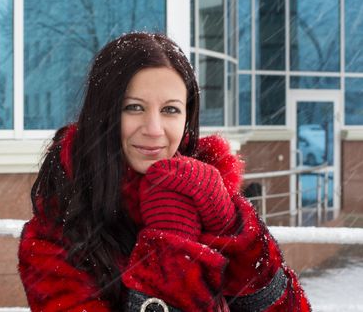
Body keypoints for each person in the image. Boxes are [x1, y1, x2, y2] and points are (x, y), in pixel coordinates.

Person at [18, 33, 310, 311]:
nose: (154, 129)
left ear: (188, 117)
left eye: (170, 110)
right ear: (102, 114)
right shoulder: (52, 239)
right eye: (133, 107)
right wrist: (172, 244)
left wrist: (230, 227)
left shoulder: (210, 198)